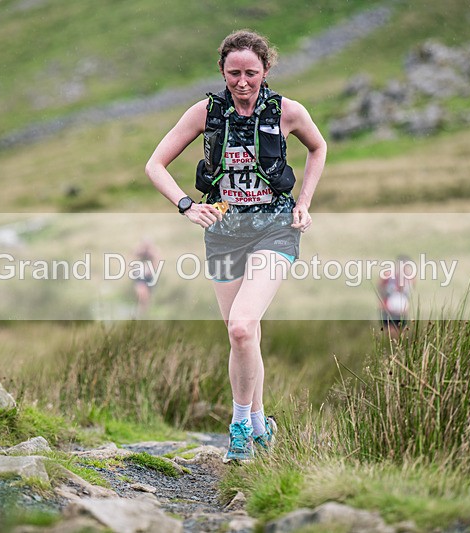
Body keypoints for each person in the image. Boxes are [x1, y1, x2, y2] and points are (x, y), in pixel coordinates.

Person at [145, 30, 326, 462]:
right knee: (241, 336)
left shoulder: (288, 111)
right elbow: (155, 164)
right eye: (233, 73)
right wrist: (187, 206)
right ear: (222, 72)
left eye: (251, 73)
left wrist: (303, 204)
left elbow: (318, 149)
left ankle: (240, 427)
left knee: (243, 326)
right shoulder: (205, 112)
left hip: (274, 229)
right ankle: (263, 426)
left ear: (265, 71)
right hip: (224, 232)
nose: (242, 82)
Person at [378, 255, 415, 340]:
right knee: (389, 333)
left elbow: (409, 294)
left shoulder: (410, 279)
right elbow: (380, 288)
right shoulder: (388, 276)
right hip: (389, 309)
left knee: (401, 334)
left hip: (402, 311)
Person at [132, 237, 161, 318]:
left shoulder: (154, 252)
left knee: (147, 296)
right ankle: (141, 311)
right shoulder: (139, 251)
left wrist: (151, 271)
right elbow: (132, 258)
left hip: (149, 276)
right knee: (141, 292)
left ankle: (144, 312)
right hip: (140, 275)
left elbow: (157, 262)